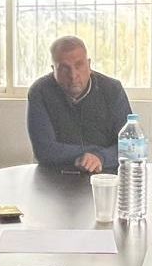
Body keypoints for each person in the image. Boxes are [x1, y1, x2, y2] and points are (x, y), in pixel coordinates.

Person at [27, 36, 133, 172]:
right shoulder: (40, 91)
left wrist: (101, 157)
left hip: (107, 174)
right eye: (65, 68)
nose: (73, 75)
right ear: (53, 69)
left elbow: (130, 146)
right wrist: (90, 154)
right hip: (56, 176)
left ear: (89, 65)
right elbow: (43, 149)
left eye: (79, 65)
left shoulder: (112, 90)